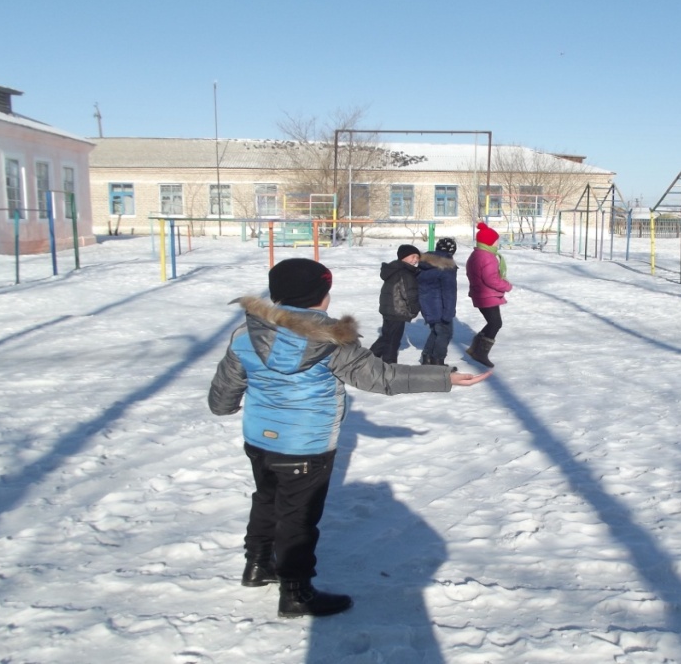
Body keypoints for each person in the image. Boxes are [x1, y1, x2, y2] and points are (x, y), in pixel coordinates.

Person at [208, 258, 490, 619]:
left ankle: (258, 565)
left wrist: (231, 402)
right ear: (321, 298)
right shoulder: (331, 340)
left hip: (259, 441)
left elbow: (221, 399)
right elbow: (382, 378)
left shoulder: (246, 335)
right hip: (306, 447)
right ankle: (296, 593)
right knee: (298, 517)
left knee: (266, 500)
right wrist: (443, 377)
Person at [465, 222, 512, 368]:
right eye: (496, 240)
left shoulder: (477, 254)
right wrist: (506, 285)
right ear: (489, 242)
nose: (498, 242)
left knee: (493, 323)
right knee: (495, 323)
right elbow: (490, 278)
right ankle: (480, 353)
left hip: (481, 293)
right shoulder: (487, 257)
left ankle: (475, 347)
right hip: (487, 295)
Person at [369, 244, 421, 364]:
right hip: (398, 310)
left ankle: (368, 358)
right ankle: (389, 365)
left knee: (387, 337)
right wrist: (415, 308)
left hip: (389, 309)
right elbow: (409, 293)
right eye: (412, 256)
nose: (415, 260)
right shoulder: (405, 272)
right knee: (393, 340)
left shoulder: (394, 269)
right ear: (403, 257)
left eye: (417, 257)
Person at [417, 237, 458, 366]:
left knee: (436, 331)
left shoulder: (426, 263)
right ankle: (438, 361)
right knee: (445, 333)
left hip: (428, 306)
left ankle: (427, 358)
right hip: (440, 307)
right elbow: (449, 292)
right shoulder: (446, 266)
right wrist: (449, 312)